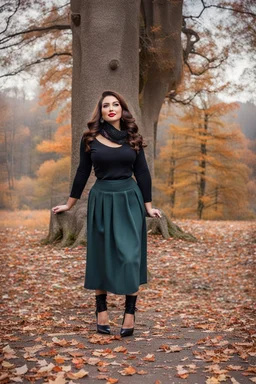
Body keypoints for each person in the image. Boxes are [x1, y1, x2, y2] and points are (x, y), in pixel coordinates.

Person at [52, 90, 161, 337]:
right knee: (101, 255)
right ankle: (101, 310)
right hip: (101, 199)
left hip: (129, 200)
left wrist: (148, 207)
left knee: (131, 258)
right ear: (100, 112)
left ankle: (130, 313)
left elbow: (142, 173)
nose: (110, 108)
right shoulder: (90, 138)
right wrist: (69, 205)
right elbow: (82, 172)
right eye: (105, 106)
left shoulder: (133, 138)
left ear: (122, 109)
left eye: (115, 104)